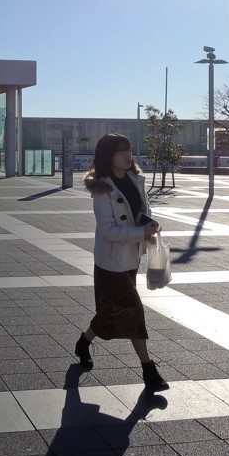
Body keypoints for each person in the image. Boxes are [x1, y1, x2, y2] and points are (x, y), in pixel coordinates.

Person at [75, 133, 169, 392]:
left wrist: (148, 225)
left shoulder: (134, 180)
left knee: (110, 312)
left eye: (128, 149)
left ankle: (84, 342)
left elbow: (139, 212)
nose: (127, 155)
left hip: (130, 259)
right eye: (120, 151)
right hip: (110, 263)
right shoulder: (101, 189)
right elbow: (108, 230)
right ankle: (149, 370)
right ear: (108, 157)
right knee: (134, 311)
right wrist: (141, 233)